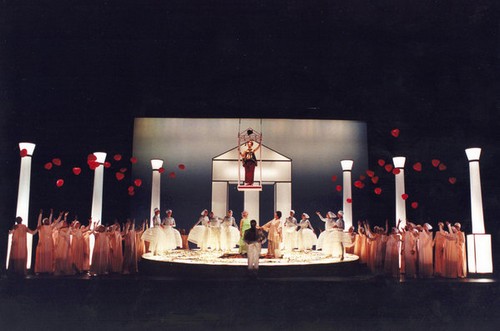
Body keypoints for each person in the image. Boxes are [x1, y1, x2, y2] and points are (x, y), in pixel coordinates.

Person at [35, 209, 59, 274]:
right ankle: (41, 270)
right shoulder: (41, 227)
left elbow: (55, 222)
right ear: (43, 222)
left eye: (48, 221)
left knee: (48, 256)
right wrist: (40, 214)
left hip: (49, 244)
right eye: (46, 221)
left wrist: (51, 214)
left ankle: (48, 269)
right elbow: (39, 221)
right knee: (42, 256)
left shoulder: (51, 227)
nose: (47, 221)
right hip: (42, 244)